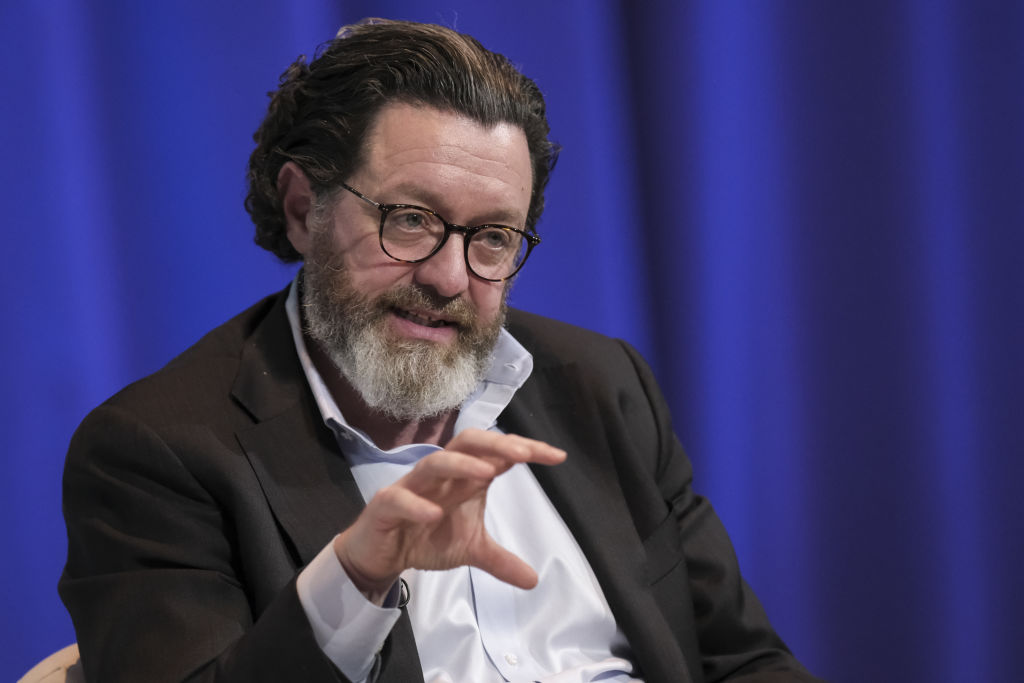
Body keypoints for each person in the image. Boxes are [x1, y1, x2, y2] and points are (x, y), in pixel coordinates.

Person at [59, 18, 821, 683]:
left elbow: (742, 661)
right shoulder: (158, 451)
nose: (450, 277)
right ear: (302, 208)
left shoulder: (603, 386)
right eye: (411, 219)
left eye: (492, 237)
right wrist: (354, 578)